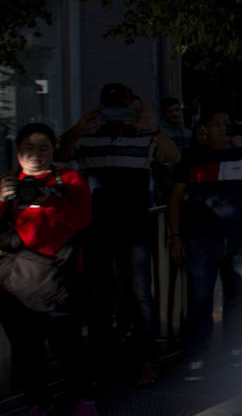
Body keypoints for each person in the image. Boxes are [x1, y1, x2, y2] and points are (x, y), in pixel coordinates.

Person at [59, 82, 181, 387]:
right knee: (99, 294)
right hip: (97, 225)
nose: (117, 113)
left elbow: (173, 156)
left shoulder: (144, 136)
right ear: (101, 108)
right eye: (110, 107)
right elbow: (60, 154)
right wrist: (77, 128)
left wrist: (153, 128)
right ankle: (102, 360)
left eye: (123, 107)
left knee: (139, 293)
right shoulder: (87, 136)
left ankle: (146, 360)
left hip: (135, 224)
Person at [168, 108, 242, 380]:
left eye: (226, 123)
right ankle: (197, 355)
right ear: (205, 128)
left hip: (236, 237)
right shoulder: (191, 158)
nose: (222, 128)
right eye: (215, 123)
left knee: (238, 296)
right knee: (200, 298)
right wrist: (174, 236)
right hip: (200, 238)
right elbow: (175, 197)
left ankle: (237, 348)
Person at [0, 123, 98, 416]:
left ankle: (83, 399)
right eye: (29, 149)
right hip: (17, 281)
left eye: (43, 148)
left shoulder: (69, 179)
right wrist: (3, 199)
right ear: (18, 153)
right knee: (27, 348)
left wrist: (50, 200)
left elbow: (82, 220)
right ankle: (38, 405)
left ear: (54, 148)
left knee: (67, 343)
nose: (36, 156)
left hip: (61, 277)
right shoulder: (7, 183)